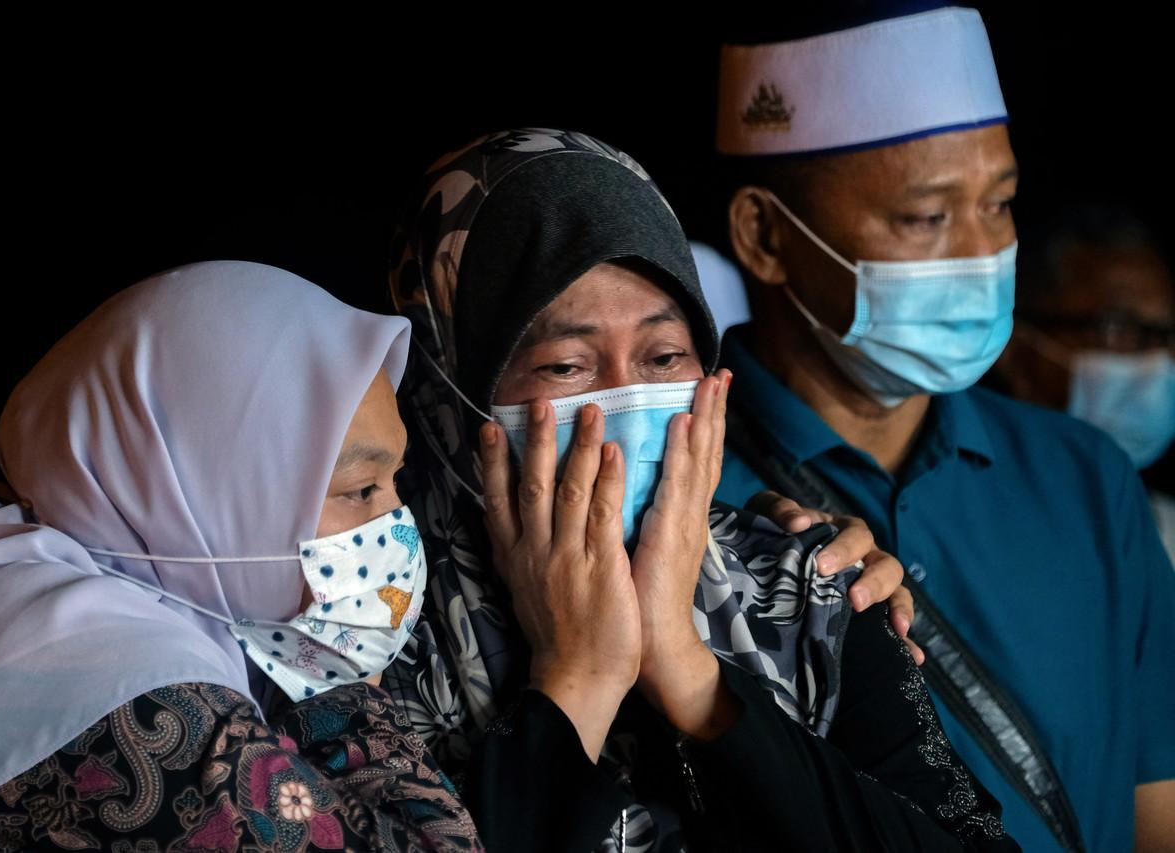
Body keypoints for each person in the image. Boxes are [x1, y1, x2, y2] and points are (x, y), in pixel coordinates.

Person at [384, 127, 1017, 851]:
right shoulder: (371, 636)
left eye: (663, 355)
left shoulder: (815, 588)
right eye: (565, 367)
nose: (624, 401)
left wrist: (690, 674)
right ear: (449, 389)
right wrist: (579, 677)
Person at [708, 5, 1175, 851]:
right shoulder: (688, 495)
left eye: (999, 204)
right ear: (766, 235)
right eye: (926, 218)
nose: (981, 252)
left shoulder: (1084, 479)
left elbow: (1158, 811)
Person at [0, 261, 480, 851]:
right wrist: (345, 684)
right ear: (197, 491)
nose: (397, 529)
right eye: (360, 489)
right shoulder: (130, 695)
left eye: (395, 482)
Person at [988, 203, 1175, 564]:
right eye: (1117, 328)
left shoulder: (1167, 535)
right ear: (1017, 349)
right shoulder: (963, 522)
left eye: (1165, 334)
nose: (1155, 358)